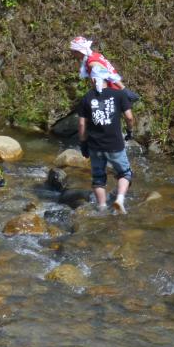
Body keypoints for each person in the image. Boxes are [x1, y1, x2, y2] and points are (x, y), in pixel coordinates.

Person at [77, 78, 134, 214]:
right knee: (125, 173)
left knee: (98, 179)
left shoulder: (87, 97)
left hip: (95, 146)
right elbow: (129, 117)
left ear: (93, 79)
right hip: (115, 144)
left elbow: (81, 125)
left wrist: (83, 144)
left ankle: (102, 208)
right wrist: (130, 131)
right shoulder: (119, 94)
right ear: (107, 79)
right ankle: (119, 200)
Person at [69, 36, 140, 104]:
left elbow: (107, 74)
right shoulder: (96, 55)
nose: (72, 54)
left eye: (73, 51)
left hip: (112, 93)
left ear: (79, 52)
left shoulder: (92, 62)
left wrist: (124, 90)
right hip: (110, 92)